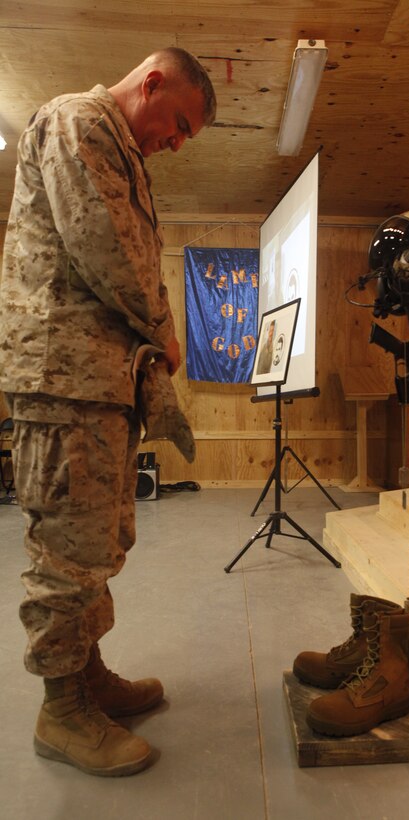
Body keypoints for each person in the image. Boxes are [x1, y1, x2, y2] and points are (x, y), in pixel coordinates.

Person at [0, 47, 216, 777]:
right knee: (68, 548)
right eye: (178, 122)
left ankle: (85, 674)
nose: (177, 141)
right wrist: (163, 324)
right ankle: (60, 710)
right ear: (151, 82)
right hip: (63, 378)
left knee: (99, 539)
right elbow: (106, 245)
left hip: (95, 382)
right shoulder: (77, 121)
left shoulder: (117, 144)